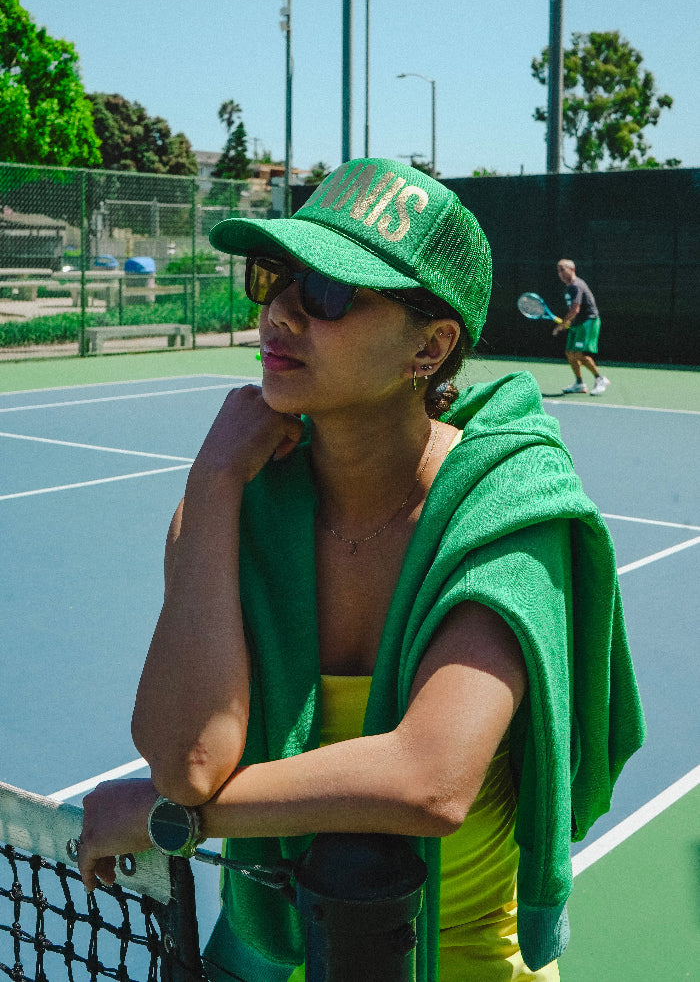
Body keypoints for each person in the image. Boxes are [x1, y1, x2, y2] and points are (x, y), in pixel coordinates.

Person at [77, 158, 645, 982]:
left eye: (328, 293)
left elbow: (429, 780)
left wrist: (171, 822)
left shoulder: (506, 509)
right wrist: (210, 484)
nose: (279, 312)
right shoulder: (229, 510)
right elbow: (189, 763)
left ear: (431, 346)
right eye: (273, 277)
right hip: (281, 958)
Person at [552, 259, 610, 395]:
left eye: (562, 270)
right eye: (558, 271)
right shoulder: (569, 287)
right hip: (578, 323)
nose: (560, 273)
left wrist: (562, 324)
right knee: (570, 352)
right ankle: (579, 384)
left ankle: (600, 379)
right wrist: (568, 323)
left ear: (572, 270)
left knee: (578, 353)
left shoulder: (576, 285)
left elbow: (575, 310)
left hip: (589, 321)